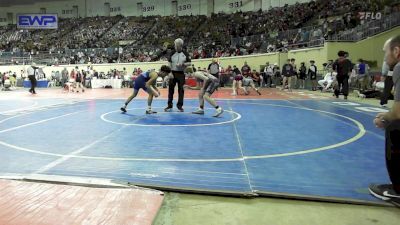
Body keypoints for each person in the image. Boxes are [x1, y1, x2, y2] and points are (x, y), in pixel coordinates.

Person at [369, 35, 400, 206]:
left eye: (385, 52)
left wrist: (383, 117)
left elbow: (397, 113)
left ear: (396, 51)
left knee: (394, 128)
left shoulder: (399, 67)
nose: (384, 57)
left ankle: (397, 190)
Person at [165, 38, 191, 112]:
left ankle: (180, 106)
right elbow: (169, 63)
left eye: (177, 46)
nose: (175, 47)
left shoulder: (185, 53)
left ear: (181, 46)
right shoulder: (172, 52)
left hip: (181, 73)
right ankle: (169, 105)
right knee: (170, 90)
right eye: (175, 45)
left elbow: (189, 63)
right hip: (172, 73)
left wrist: (183, 64)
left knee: (181, 90)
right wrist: (169, 73)